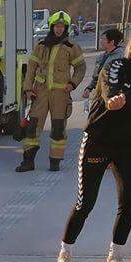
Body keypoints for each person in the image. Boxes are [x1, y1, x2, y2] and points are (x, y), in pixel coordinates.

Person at [57, 27, 131, 262]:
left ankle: (115, 256)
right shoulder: (115, 66)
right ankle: (65, 252)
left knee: (129, 203)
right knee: (86, 203)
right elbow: (109, 89)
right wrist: (113, 100)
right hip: (98, 140)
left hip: (127, 146)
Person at [18, 10, 86, 173]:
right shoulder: (41, 46)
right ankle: (28, 161)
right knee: (32, 128)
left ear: (66, 28)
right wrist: (28, 89)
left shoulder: (71, 47)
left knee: (58, 129)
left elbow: (80, 67)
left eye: (62, 26)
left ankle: (55, 162)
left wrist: (73, 84)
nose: (59, 29)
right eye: (56, 26)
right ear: (51, 27)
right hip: (40, 93)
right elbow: (31, 69)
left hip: (60, 95)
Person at [84, 27, 125, 113]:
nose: (101, 41)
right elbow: (96, 76)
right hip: (99, 96)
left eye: (103, 39)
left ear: (112, 42)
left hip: (113, 99)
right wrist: (89, 88)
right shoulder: (101, 57)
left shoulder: (121, 57)